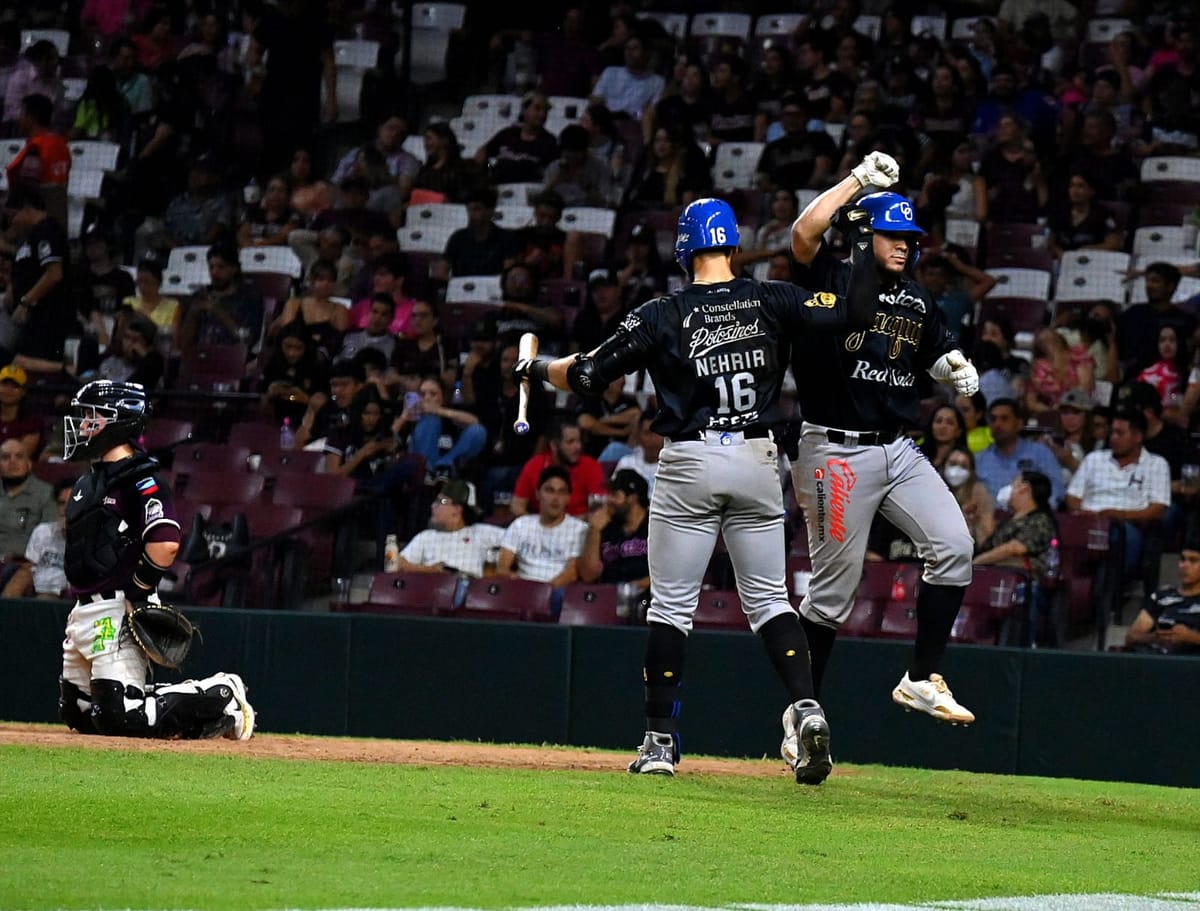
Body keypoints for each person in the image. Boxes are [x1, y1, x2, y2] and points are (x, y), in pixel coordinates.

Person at [515, 195, 880, 782]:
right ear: (734, 245)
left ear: (684, 250)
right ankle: (806, 707)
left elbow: (587, 376)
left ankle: (659, 743)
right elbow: (853, 310)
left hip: (689, 460)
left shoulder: (662, 312)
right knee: (770, 602)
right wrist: (861, 248)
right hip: (760, 457)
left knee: (672, 606)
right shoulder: (773, 296)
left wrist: (537, 370)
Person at [786, 155, 981, 727]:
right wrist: (855, 181)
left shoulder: (917, 298)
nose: (903, 245)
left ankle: (921, 678)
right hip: (834, 449)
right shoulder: (831, 278)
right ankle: (802, 713)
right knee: (831, 596)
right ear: (865, 235)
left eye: (909, 237)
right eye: (892, 235)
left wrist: (953, 365)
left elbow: (936, 353)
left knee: (954, 547)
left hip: (897, 448)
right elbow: (802, 232)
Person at [57, 379, 256, 740]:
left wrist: (138, 590)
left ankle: (220, 694)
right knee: (81, 713)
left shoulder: (142, 480)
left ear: (120, 421)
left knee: (121, 717)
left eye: (92, 417)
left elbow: (165, 543)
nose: (83, 425)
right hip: (83, 610)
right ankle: (197, 709)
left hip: (119, 607)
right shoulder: (91, 480)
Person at [1065, 408, 1172, 601]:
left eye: (1120, 433)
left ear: (1138, 436)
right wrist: (1081, 512)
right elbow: (1073, 497)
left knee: (1120, 536)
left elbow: (1158, 509)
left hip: (1126, 524)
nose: (1113, 437)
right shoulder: (1094, 459)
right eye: (1112, 432)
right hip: (1087, 520)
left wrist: (1119, 515)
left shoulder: (1156, 464)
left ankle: (1106, 595)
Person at [396, 478, 505, 578]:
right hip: (433, 593)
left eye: (441, 501)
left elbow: (518, 540)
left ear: (457, 509)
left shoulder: (482, 532)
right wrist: (429, 570)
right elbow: (397, 562)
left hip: (473, 593)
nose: (433, 506)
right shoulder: (426, 537)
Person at [497, 465, 587, 587]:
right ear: (538, 494)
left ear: (568, 498)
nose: (555, 498)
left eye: (561, 492)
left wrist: (541, 594)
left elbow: (571, 574)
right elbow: (502, 567)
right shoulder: (521, 524)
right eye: (550, 490)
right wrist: (513, 579)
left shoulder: (579, 529)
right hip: (522, 588)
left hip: (558, 592)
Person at [976, 397, 1067, 509]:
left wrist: (1037, 511)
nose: (997, 424)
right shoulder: (980, 459)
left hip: (1032, 519)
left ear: (1019, 423)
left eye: (1004, 419)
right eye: (993, 419)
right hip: (992, 519)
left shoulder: (1040, 453)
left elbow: (1057, 488)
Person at [509, 420, 607, 518]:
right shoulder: (534, 465)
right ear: (554, 445)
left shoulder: (591, 466)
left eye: (579, 441)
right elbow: (517, 506)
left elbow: (599, 511)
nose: (578, 447)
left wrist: (562, 525)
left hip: (579, 527)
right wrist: (538, 525)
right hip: (540, 527)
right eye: (570, 442)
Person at [577, 468, 650, 600]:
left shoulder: (655, 527)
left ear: (632, 498)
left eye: (615, 495)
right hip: (608, 600)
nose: (608, 500)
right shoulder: (606, 526)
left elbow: (670, 575)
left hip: (648, 599)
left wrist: (630, 590)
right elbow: (588, 575)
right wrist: (594, 530)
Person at [0, 437, 57, 590]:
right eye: (5, 457)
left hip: (24, 565)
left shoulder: (45, 494)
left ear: (29, 463)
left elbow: (50, 537)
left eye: (19, 456)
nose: (12, 462)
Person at [1, 476, 72, 598]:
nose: (66, 509)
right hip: (36, 586)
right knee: (20, 576)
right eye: (61, 503)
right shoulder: (43, 531)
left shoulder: (91, 535)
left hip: (63, 592)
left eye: (71, 502)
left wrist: (71, 534)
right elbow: (28, 567)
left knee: (46, 597)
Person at [1124, 544, 1200, 655]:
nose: (1184, 565)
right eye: (1183, 559)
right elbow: (1131, 637)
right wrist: (1156, 638)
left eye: (1193, 560)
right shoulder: (1162, 596)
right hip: (1161, 663)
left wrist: (1190, 637)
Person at [943, 446, 996, 550]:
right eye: (953, 464)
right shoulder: (932, 488)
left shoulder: (979, 492)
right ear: (944, 465)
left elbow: (987, 532)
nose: (956, 470)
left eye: (963, 466)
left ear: (971, 471)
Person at [0, 364, 43, 458]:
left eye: (14, 386)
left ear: (23, 391)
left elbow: (20, 456)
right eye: (4, 384)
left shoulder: (32, 422)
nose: (8, 390)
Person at [918, 403, 968, 472]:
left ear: (959, 431)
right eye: (938, 421)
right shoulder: (917, 455)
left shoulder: (962, 459)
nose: (943, 426)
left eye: (950, 422)